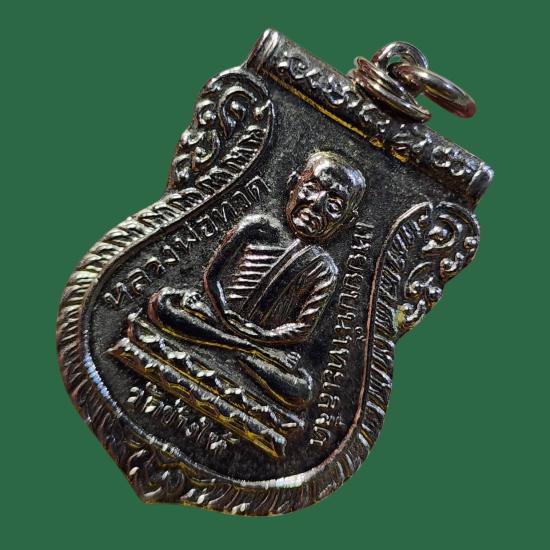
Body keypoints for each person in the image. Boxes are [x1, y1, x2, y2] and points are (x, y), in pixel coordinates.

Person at [148, 151, 366, 409]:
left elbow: (303, 328)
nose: (317, 204)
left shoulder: (324, 269)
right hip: (217, 318)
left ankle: (235, 347)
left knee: (302, 389)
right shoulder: (258, 227)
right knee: (165, 304)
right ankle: (241, 348)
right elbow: (212, 275)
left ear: (347, 221)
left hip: (261, 343)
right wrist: (225, 313)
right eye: (311, 188)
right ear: (293, 183)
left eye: (335, 204)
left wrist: (262, 336)